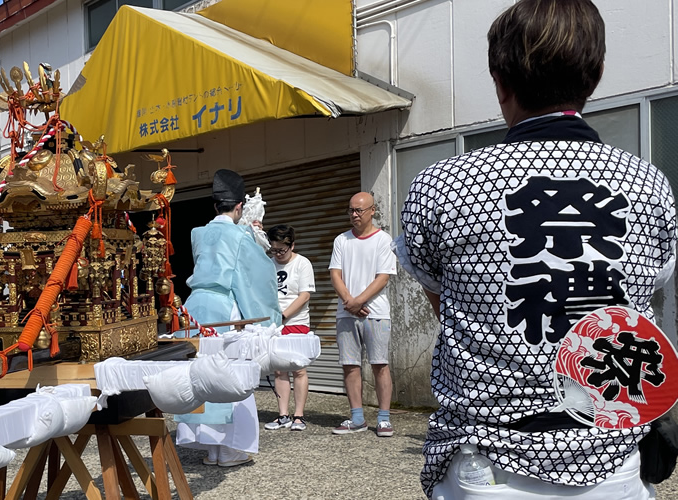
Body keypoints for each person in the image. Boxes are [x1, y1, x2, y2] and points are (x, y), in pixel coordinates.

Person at [396, 1, 672, 498]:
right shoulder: (649, 186)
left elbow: (447, 304)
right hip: (612, 465)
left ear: (500, 80)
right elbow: (645, 300)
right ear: (597, 75)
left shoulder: (441, 186)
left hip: (487, 464)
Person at [174, 169, 281, 467]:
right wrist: (268, 320)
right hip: (225, 307)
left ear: (213, 206)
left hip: (196, 308)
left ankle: (209, 448)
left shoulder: (199, 233)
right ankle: (230, 450)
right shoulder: (240, 235)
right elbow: (255, 278)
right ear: (238, 208)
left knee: (200, 374)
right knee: (230, 376)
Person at [328, 192, 396, 437]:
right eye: (351, 210)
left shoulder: (383, 240)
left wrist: (359, 301)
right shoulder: (341, 240)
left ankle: (384, 418)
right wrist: (350, 302)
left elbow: (383, 277)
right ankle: (356, 417)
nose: (354, 215)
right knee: (350, 365)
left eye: (359, 210)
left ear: (372, 211)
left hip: (376, 313)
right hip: (346, 314)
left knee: (380, 364)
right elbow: (335, 274)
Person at [262, 225, 314, 432]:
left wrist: (284, 315)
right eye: (274, 250)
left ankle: (299, 416)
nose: (278, 254)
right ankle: (283, 414)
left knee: (298, 368)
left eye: (282, 250)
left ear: (292, 245)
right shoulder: (268, 265)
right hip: (274, 325)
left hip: (296, 322)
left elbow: (305, 295)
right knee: (278, 368)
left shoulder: (302, 264)